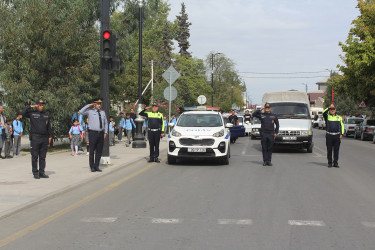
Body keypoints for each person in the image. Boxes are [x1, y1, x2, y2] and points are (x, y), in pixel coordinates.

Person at [21, 99, 52, 179]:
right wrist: (30, 106)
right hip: (35, 138)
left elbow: (49, 126)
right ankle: (35, 172)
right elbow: (23, 113)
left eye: (42, 105)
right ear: (37, 105)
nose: (41, 106)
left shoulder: (46, 115)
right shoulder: (32, 113)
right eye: (40, 105)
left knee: (42, 157)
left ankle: (42, 172)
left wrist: (50, 136)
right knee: (34, 156)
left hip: (44, 138)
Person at [79, 98, 108, 172]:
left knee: (99, 151)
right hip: (93, 133)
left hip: (101, 133)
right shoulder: (90, 111)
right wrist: (89, 105)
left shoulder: (102, 112)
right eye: (98, 104)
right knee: (91, 150)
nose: (99, 105)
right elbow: (80, 112)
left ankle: (97, 166)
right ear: (94, 104)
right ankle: (92, 167)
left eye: (100, 104)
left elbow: (106, 123)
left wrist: (105, 132)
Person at [323, 104, 344, 168]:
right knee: (329, 150)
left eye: (333, 109)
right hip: (329, 135)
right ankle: (330, 163)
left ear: (335, 110)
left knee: (336, 150)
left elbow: (342, 126)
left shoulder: (339, 117)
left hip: (337, 136)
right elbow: (323, 112)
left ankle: (335, 163)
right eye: (331, 109)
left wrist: (341, 134)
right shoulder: (327, 116)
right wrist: (328, 107)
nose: (332, 110)